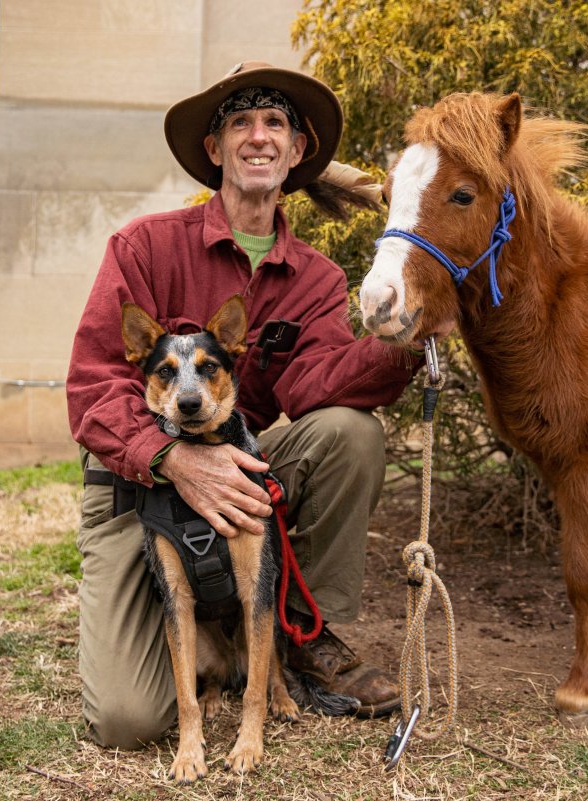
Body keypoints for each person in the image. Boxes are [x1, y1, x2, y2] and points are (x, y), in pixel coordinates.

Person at [65, 61, 420, 750]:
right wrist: (169, 457)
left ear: (295, 153)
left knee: (349, 433)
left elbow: (316, 385)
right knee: (128, 721)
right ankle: (188, 630)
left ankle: (297, 631)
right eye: (240, 123)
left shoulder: (315, 276)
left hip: (238, 463)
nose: (258, 137)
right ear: (214, 149)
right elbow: (91, 384)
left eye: (276, 124)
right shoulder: (144, 245)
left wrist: (407, 339)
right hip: (138, 482)